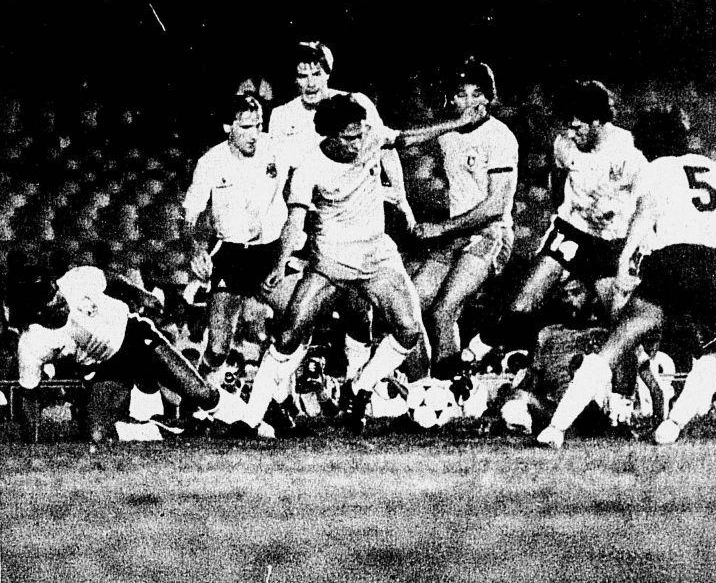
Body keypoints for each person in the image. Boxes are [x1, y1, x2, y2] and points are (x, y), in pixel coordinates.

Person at [242, 93, 487, 435]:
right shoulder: (309, 168)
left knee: (409, 330)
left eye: (360, 135)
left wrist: (458, 123)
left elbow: (406, 138)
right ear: (329, 135)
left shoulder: (370, 137)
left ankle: (359, 388)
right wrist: (280, 263)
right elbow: (295, 222)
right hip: (331, 263)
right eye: (349, 138)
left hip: (377, 256)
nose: (357, 144)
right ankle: (250, 417)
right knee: (289, 334)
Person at [536, 105, 716, 448]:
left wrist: (624, 262)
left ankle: (555, 428)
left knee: (619, 340)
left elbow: (645, 214)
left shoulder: (655, 168)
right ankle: (672, 424)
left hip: (671, 260)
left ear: (645, 144)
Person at [462, 80, 647, 369]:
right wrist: (566, 212)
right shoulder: (564, 146)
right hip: (572, 232)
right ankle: (473, 354)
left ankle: (648, 386)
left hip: (610, 244)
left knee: (621, 323)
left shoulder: (628, 151)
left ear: (598, 122)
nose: (571, 133)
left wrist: (623, 231)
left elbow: (646, 202)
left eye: (578, 127)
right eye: (569, 127)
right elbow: (558, 177)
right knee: (522, 303)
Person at [268, 41, 415, 381]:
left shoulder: (354, 104)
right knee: (300, 312)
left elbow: (385, 146)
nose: (310, 82)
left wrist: (401, 196)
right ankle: (287, 387)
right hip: (305, 216)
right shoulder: (281, 116)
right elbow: (278, 173)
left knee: (357, 307)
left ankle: (354, 378)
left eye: (316, 73)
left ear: (328, 73)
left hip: (348, 218)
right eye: (302, 75)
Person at [13, 265, 250, 441]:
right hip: (104, 368)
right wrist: (32, 442)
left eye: (54, 288)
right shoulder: (32, 342)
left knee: (200, 392)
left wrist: (140, 294)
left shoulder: (75, 280)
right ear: (36, 311)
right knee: (97, 435)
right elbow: (29, 394)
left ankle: (253, 423)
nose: (59, 297)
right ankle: (166, 430)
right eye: (50, 298)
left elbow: (112, 280)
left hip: (135, 336)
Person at [183, 93, 299, 401]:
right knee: (218, 348)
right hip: (231, 254)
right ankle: (200, 401)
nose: (254, 134)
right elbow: (189, 216)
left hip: (271, 251)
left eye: (258, 125)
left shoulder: (277, 148)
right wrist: (195, 249)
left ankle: (282, 399)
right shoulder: (210, 162)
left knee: (296, 323)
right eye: (246, 127)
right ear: (228, 127)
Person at [408, 58, 518, 378]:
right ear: (450, 99)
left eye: (477, 94)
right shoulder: (448, 135)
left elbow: (495, 206)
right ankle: (424, 385)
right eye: (461, 94)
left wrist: (440, 228)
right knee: (409, 307)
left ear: (489, 97)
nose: (470, 102)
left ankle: (451, 386)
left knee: (443, 311)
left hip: (491, 234)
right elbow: (404, 140)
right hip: (456, 233)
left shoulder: (499, 136)